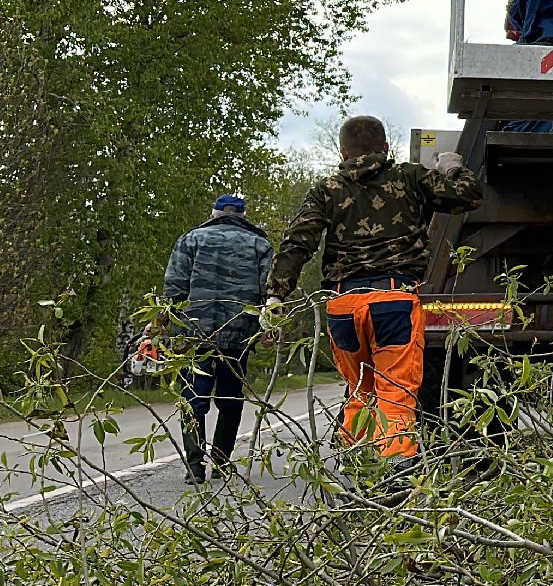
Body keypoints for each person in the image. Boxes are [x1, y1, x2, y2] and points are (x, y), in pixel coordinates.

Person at [264, 116, 482, 480]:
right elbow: (468, 196)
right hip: (393, 301)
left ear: (343, 152)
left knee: (361, 390)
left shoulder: (327, 189)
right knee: (394, 391)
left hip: (344, 305)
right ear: (385, 147)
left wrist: (276, 294)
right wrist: (451, 167)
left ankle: (354, 466)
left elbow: (298, 242)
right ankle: (395, 475)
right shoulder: (410, 177)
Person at [158, 194, 272, 485]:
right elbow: (267, 292)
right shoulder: (260, 244)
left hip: (193, 334)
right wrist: (269, 328)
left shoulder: (191, 240)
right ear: (243, 215)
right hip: (239, 333)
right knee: (231, 398)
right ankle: (222, 461)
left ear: (214, 213)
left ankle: (195, 467)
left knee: (193, 398)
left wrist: (159, 323)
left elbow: (174, 288)